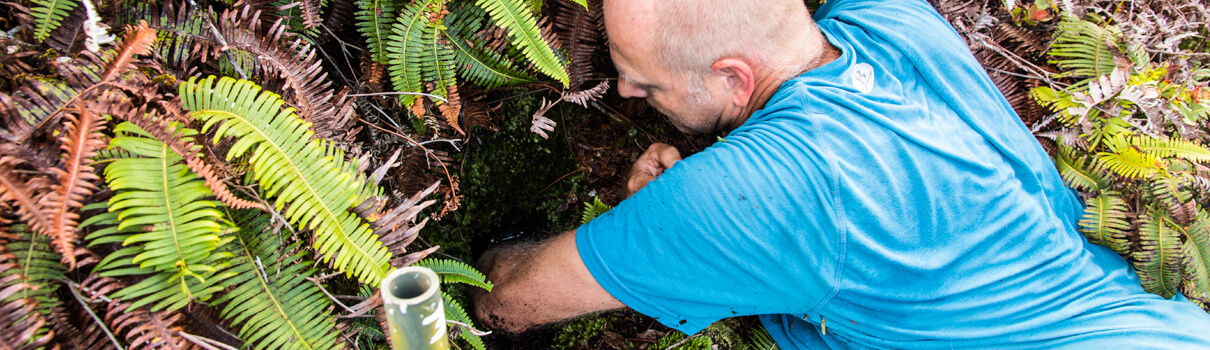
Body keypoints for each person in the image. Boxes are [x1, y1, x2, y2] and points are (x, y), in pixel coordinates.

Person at [471, 0, 1210, 348]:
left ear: (735, 77)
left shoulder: (742, 196)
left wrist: (664, 225)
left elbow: (506, 302)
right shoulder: (893, 19)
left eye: (644, 82)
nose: (626, 95)